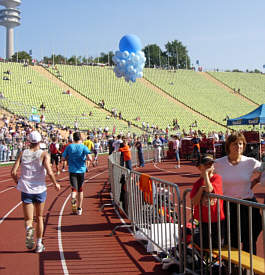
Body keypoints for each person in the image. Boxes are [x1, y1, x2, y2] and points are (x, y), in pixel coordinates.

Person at [11, 131, 60, 253]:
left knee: (28, 219)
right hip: (40, 189)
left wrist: (18, 182)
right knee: (39, 217)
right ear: (39, 141)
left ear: (29, 141)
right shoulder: (44, 154)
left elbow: (13, 172)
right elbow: (49, 171)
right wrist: (55, 183)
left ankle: (29, 228)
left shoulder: (22, 153)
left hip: (26, 189)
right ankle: (39, 244)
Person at [214, 132, 262, 254]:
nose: (238, 146)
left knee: (250, 240)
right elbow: (207, 176)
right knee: (231, 241)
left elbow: (263, 170)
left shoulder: (250, 162)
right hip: (229, 207)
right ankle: (232, 268)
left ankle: (249, 270)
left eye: (240, 144)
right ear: (229, 145)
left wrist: (256, 181)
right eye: (235, 144)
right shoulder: (219, 163)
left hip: (248, 206)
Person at [190, 154, 225, 249]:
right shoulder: (198, 184)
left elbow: (209, 189)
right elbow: (194, 201)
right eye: (206, 164)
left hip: (217, 219)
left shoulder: (217, 178)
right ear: (199, 167)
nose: (209, 166)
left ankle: (215, 263)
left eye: (211, 164)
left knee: (217, 245)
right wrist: (201, 189)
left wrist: (206, 175)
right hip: (202, 220)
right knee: (203, 245)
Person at [62, 132, 90, 215]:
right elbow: (90, 158)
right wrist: (84, 159)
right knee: (80, 189)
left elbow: (63, 158)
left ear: (73, 138)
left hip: (72, 170)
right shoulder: (83, 147)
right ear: (80, 138)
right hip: (81, 170)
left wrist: (69, 158)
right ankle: (79, 209)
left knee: (74, 189)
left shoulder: (69, 147)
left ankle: (73, 200)